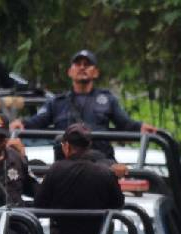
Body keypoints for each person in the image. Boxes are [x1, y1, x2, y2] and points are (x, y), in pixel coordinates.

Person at [11, 50, 157, 159]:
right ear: (70, 71)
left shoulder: (108, 100)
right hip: (66, 163)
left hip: (100, 162)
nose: (82, 67)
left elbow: (125, 123)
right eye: (78, 64)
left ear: (96, 72)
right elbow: (36, 122)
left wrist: (140, 127)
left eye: (87, 64)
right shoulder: (56, 102)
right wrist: (21, 124)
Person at [34, 124, 124, 234]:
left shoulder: (55, 170)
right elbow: (118, 204)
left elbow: (39, 205)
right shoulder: (105, 173)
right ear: (89, 146)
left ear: (66, 146)